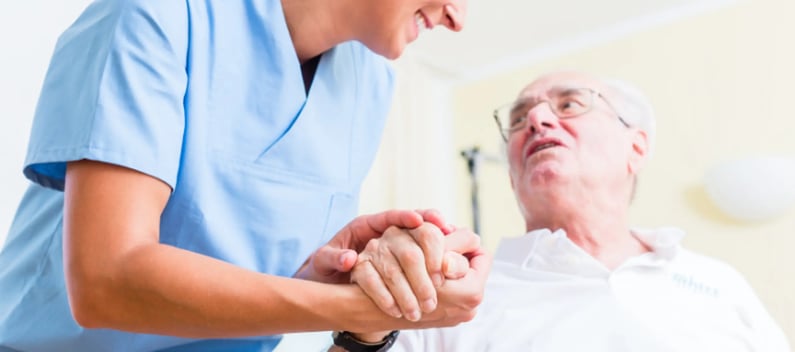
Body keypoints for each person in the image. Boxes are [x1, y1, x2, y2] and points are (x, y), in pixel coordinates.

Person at [0, 0, 491, 351]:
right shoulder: (159, 13)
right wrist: (359, 310)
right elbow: (106, 282)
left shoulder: (369, 81)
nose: (458, 17)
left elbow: (252, 285)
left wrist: (359, 283)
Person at [348, 70, 791, 351]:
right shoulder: (450, 293)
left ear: (635, 147)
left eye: (569, 105)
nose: (537, 120)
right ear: (512, 174)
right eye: (519, 119)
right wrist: (364, 322)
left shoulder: (718, 284)